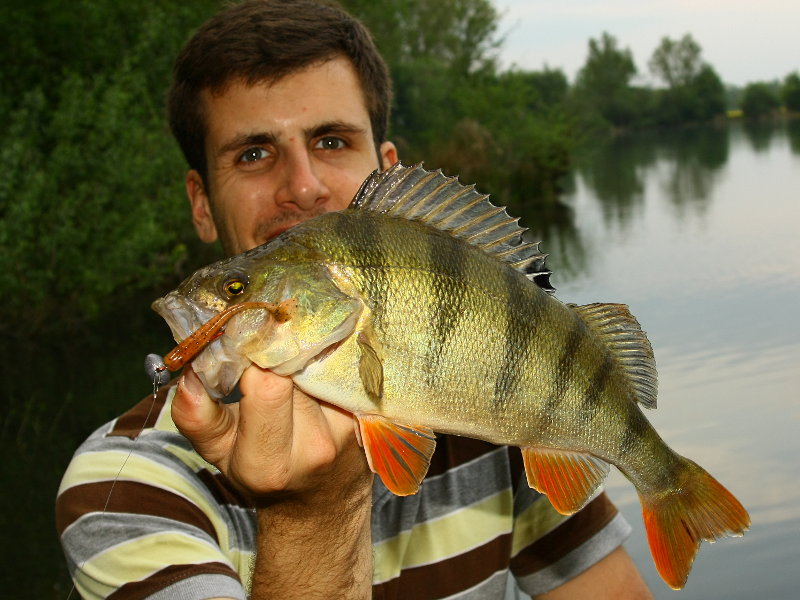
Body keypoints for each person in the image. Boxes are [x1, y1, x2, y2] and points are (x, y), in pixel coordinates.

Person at [56, 1, 653, 598]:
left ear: (386, 169)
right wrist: (313, 513)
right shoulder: (124, 490)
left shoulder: (493, 417)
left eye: (332, 141)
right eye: (254, 154)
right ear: (201, 203)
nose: (303, 187)